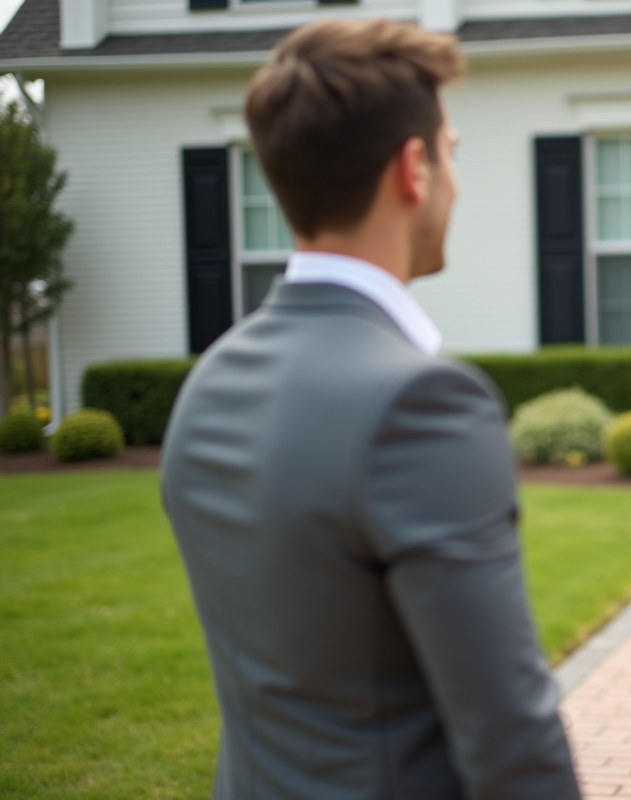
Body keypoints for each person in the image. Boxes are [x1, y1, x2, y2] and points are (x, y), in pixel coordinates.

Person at [160, 19, 580, 800]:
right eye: (452, 151)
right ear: (414, 169)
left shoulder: (208, 383)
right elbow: (511, 737)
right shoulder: (422, 404)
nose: (456, 176)